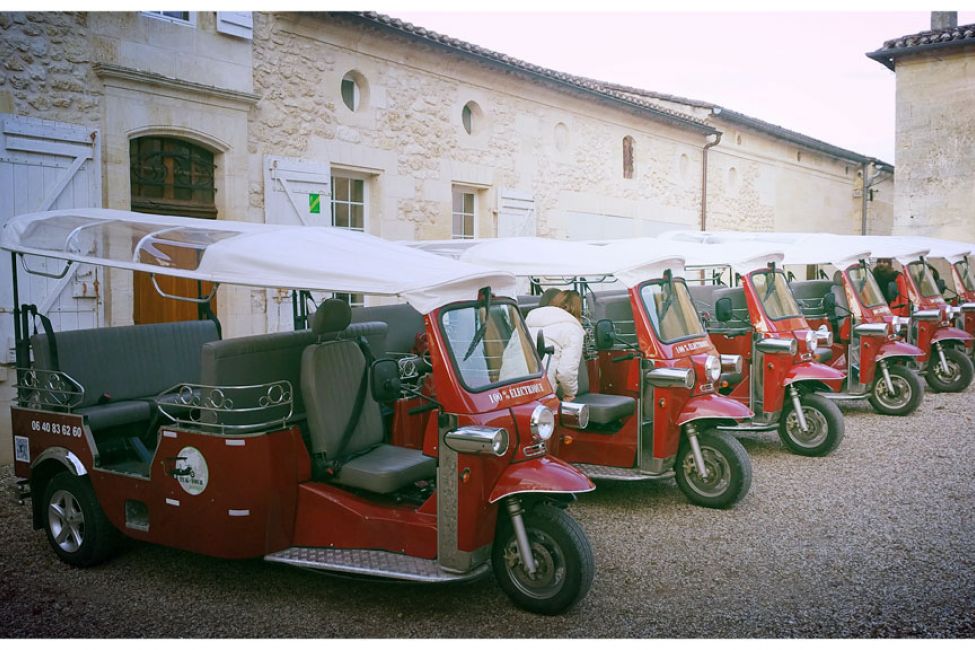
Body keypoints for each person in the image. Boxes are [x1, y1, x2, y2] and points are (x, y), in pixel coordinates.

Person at [525, 289, 585, 402]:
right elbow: (566, 371)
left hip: (509, 385)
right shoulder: (572, 328)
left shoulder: (527, 320)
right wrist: (569, 394)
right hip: (540, 389)